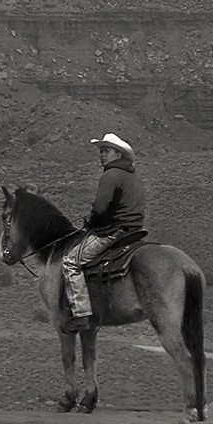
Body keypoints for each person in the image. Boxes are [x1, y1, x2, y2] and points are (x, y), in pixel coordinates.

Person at [61, 133, 146, 329]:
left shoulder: (111, 175)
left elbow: (100, 209)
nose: (102, 155)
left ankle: (81, 314)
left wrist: (91, 223)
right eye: (101, 151)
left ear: (118, 154)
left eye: (106, 151)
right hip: (134, 230)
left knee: (71, 262)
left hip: (114, 231)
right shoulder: (133, 175)